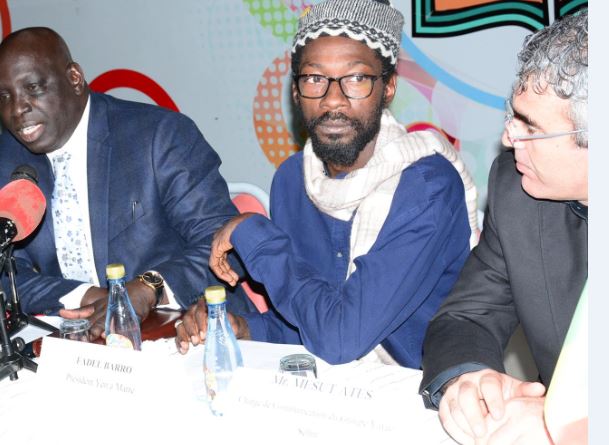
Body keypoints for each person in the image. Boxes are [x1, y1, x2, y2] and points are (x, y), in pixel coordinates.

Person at [176, 0, 479, 369]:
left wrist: (253, 233)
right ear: (295, 92)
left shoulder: (426, 187)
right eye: (315, 79)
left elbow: (341, 338)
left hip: (420, 391)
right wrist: (245, 328)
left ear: (388, 87)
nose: (333, 100)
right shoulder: (293, 179)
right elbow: (309, 322)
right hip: (330, 390)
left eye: (356, 79)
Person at [0, 27, 253, 338]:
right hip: (79, 339)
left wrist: (149, 288)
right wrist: (85, 296)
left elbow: (228, 248)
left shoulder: (159, 136)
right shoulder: (7, 158)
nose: (17, 109)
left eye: (33, 88)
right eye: (4, 96)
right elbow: (8, 271)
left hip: (189, 329)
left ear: (74, 78)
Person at [418, 11, 587, 444]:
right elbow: (467, 316)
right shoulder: (518, 191)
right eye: (514, 116)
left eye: (531, 127)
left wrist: (566, 426)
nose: (509, 138)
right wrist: (470, 378)